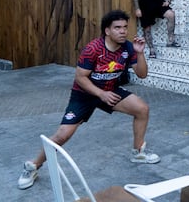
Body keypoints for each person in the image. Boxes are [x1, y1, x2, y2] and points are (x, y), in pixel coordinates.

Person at [17, 10, 160, 191]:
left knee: (142, 109)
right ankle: (32, 166)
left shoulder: (129, 47)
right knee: (62, 135)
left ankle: (138, 152)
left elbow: (142, 74)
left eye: (125, 27)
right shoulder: (93, 49)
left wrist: (140, 54)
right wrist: (100, 94)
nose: (123, 31)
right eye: (117, 28)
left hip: (109, 90)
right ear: (107, 31)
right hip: (84, 94)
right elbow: (80, 78)